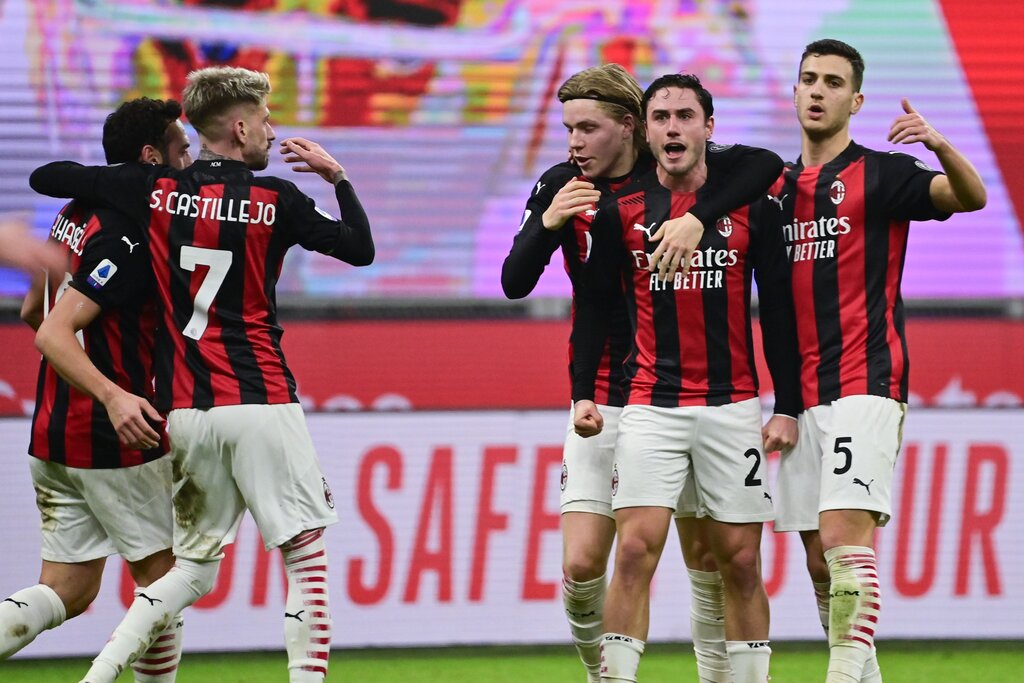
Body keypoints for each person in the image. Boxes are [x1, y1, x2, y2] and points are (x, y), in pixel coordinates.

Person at [30, 66, 375, 683]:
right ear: (240, 127)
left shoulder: (156, 191)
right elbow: (358, 247)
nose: (273, 130)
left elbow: (49, 177)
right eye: (266, 119)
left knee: (188, 568)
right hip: (262, 397)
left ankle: (99, 675)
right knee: (304, 557)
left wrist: (119, 177)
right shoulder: (278, 199)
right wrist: (339, 178)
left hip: (187, 411)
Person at [502, 64, 784, 683]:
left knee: (709, 558)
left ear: (629, 128)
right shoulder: (561, 185)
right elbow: (515, 282)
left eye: (587, 129)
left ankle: (714, 674)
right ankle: (598, 667)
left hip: (683, 391)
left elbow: (764, 164)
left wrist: (700, 215)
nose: (573, 143)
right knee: (583, 566)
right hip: (608, 395)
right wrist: (549, 223)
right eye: (568, 129)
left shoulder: (676, 174)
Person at [769, 39, 986, 683]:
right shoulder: (774, 189)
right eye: (808, 79)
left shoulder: (884, 175)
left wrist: (940, 143)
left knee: (842, 539)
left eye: (832, 82)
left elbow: (969, 197)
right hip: (803, 394)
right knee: (817, 561)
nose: (816, 91)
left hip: (868, 379)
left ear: (855, 101)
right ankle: (865, 675)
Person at [0, 97, 192, 683]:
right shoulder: (127, 235)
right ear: (150, 156)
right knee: (166, 586)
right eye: (182, 149)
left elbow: (34, 308)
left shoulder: (73, 212)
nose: (190, 160)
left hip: (55, 433)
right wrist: (111, 392)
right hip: (115, 438)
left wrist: (80, 380)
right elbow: (53, 331)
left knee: (69, 590)